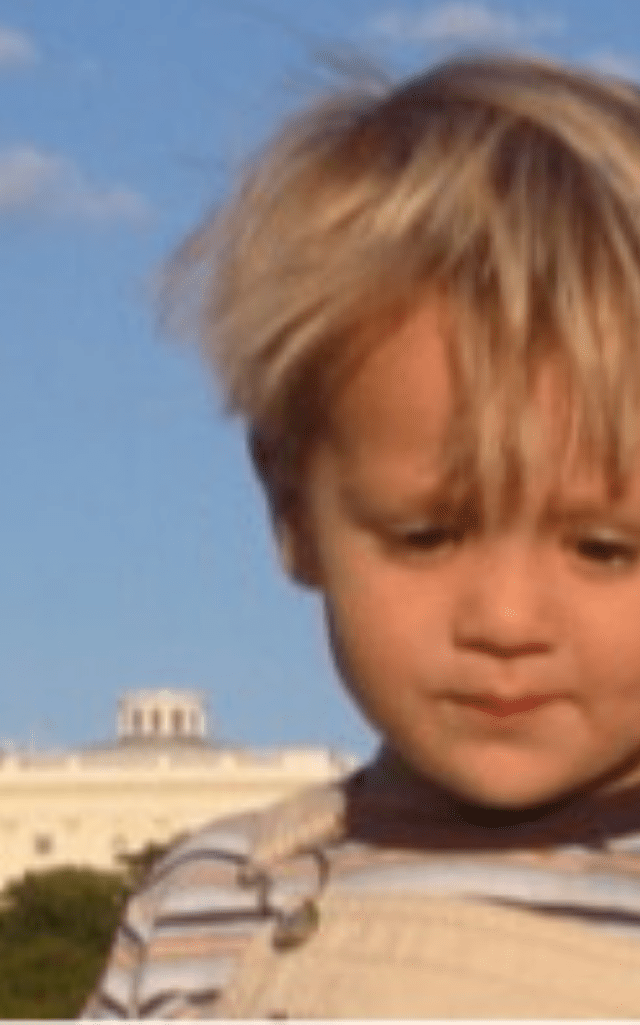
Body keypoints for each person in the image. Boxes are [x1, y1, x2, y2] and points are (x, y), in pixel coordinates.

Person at [83, 55, 640, 1018]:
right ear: (293, 512)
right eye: (428, 536)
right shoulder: (203, 906)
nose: (506, 622)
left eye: (603, 548)